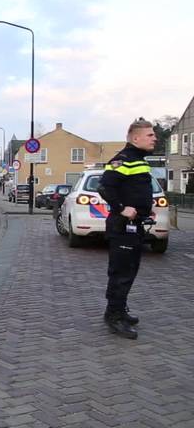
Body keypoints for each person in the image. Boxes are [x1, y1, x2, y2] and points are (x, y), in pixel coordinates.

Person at [97, 118, 157, 340]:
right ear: (135, 138)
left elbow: (133, 189)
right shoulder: (123, 159)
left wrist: (144, 210)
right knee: (121, 273)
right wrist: (122, 208)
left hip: (135, 225)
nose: (154, 138)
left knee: (130, 271)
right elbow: (105, 186)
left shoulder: (139, 160)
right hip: (122, 227)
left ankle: (118, 310)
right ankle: (114, 316)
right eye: (150, 135)